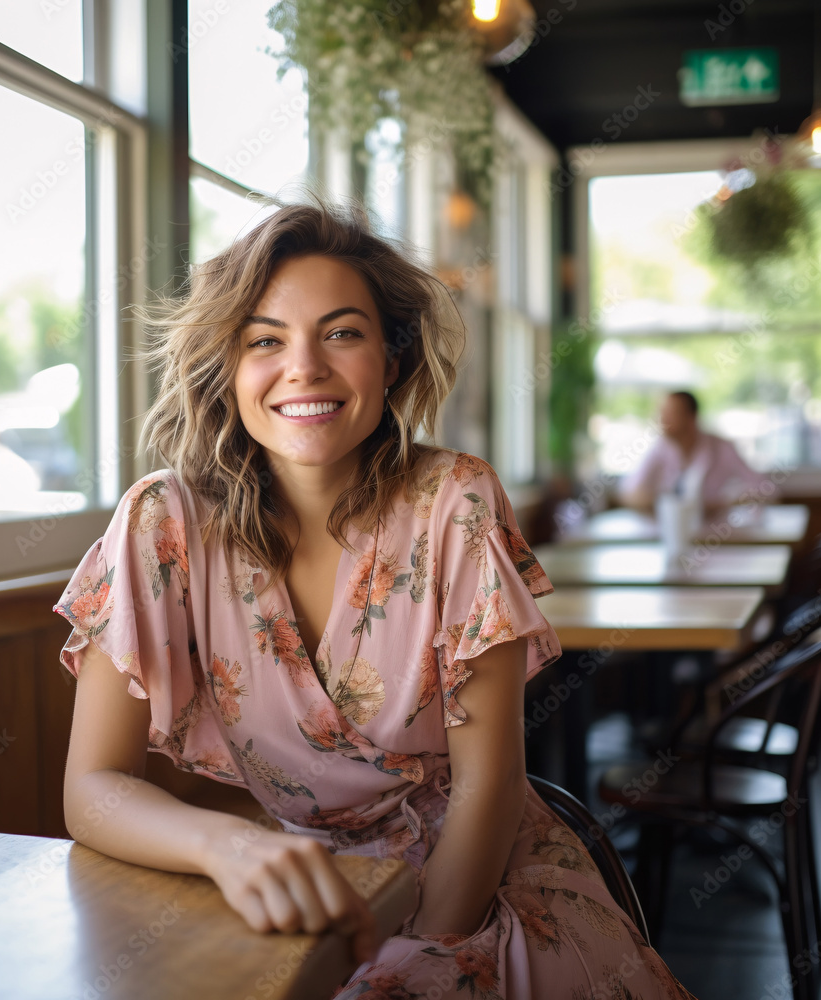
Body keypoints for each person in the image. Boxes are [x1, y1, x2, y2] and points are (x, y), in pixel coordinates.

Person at [55, 201, 697, 999]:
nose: (304, 368)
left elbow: (487, 787)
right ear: (227, 365)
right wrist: (230, 847)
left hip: (486, 885)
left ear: (391, 362)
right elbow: (93, 788)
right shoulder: (163, 524)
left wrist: (414, 955)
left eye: (342, 333)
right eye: (265, 339)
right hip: (309, 886)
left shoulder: (454, 501)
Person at [619, 390, 773, 511]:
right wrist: (668, 503)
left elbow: (765, 489)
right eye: (662, 413)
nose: (662, 420)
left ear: (691, 418)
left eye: (670, 413)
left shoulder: (722, 448)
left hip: (721, 536)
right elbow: (630, 493)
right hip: (675, 536)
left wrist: (724, 503)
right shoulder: (660, 449)